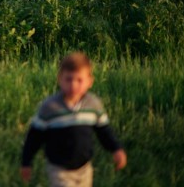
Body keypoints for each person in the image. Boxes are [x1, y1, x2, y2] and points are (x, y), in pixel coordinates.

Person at [20, 53, 127, 187]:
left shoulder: (93, 105)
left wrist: (116, 149)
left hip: (84, 168)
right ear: (60, 79)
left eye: (79, 80)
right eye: (68, 79)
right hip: (59, 169)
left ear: (89, 81)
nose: (73, 85)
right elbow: (34, 137)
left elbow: (104, 131)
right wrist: (26, 163)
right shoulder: (50, 107)